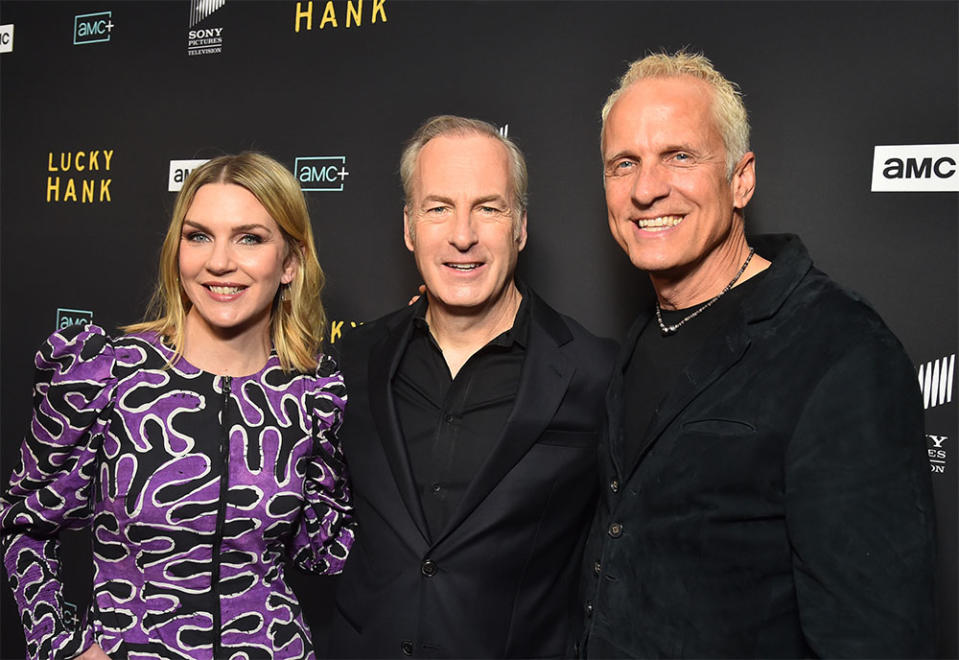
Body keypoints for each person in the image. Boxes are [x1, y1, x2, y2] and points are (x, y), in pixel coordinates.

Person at [578, 51, 937, 658]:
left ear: (741, 178)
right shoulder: (643, 335)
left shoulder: (841, 351)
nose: (646, 189)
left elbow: (875, 634)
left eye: (679, 157)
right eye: (624, 164)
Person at [1, 152, 353, 660]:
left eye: (249, 238)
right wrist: (64, 646)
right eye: (199, 236)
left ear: (290, 263)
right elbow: (23, 524)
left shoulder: (312, 391)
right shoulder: (108, 373)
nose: (218, 262)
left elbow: (326, 553)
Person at [327, 115, 617, 658]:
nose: (463, 235)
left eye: (488, 208)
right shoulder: (354, 359)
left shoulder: (595, 373)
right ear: (409, 227)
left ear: (521, 226)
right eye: (439, 208)